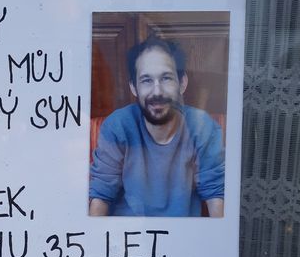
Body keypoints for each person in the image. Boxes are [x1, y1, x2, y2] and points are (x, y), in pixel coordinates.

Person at [89, 35, 225, 217]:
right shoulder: (118, 126)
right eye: (146, 80)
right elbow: (101, 196)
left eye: (166, 78)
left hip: (181, 232)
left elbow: (216, 194)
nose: (157, 91)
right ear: (133, 87)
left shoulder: (202, 127)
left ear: (182, 83)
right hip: (128, 233)